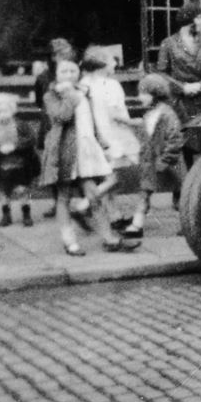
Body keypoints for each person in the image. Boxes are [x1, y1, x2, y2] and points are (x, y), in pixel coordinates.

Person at [40, 59, 133, 254]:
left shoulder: (85, 92)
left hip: (86, 151)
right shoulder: (51, 95)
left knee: (93, 196)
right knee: (64, 197)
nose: (69, 74)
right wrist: (70, 95)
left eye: (73, 70)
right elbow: (61, 117)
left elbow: (90, 121)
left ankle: (109, 239)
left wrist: (102, 141)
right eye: (64, 71)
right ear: (56, 75)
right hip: (64, 153)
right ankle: (70, 242)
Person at [118, 74, 187, 242]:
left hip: (169, 162)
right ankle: (136, 225)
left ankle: (188, 223)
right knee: (144, 192)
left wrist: (165, 159)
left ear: (155, 94)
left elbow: (175, 138)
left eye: (144, 93)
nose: (140, 97)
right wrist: (127, 122)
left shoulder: (167, 114)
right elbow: (146, 128)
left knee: (183, 193)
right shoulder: (151, 113)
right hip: (152, 161)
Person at [81, 46, 141, 230]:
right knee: (116, 177)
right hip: (115, 135)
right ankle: (84, 204)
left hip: (93, 136)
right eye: (112, 60)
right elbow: (116, 114)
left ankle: (115, 216)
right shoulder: (111, 84)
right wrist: (136, 122)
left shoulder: (84, 83)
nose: (115, 63)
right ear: (102, 64)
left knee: (108, 176)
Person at [157, 2, 201, 165]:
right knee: (182, 153)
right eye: (199, 18)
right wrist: (182, 87)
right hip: (179, 105)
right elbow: (162, 74)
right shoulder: (168, 44)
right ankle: (182, 190)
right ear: (188, 20)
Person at [33, 37, 77, 218]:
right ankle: (56, 202)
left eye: (66, 53)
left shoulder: (73, 73)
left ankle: (79, 201)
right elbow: (38, 100)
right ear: (51, 57)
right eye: (58, 54)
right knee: (52, 163)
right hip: (50, 124)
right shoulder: (44, 77)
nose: (63, 57)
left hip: (73, 125)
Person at [0, 93, 40, 228]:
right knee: (4, 192)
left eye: (5, 110)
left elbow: (32, 138)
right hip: (3, 165)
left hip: (21, 163)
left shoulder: (20, 125)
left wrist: (16, 146)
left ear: (11, 110)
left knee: (22, 190)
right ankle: (6, 215)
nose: (2, 114)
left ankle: (26, 214)